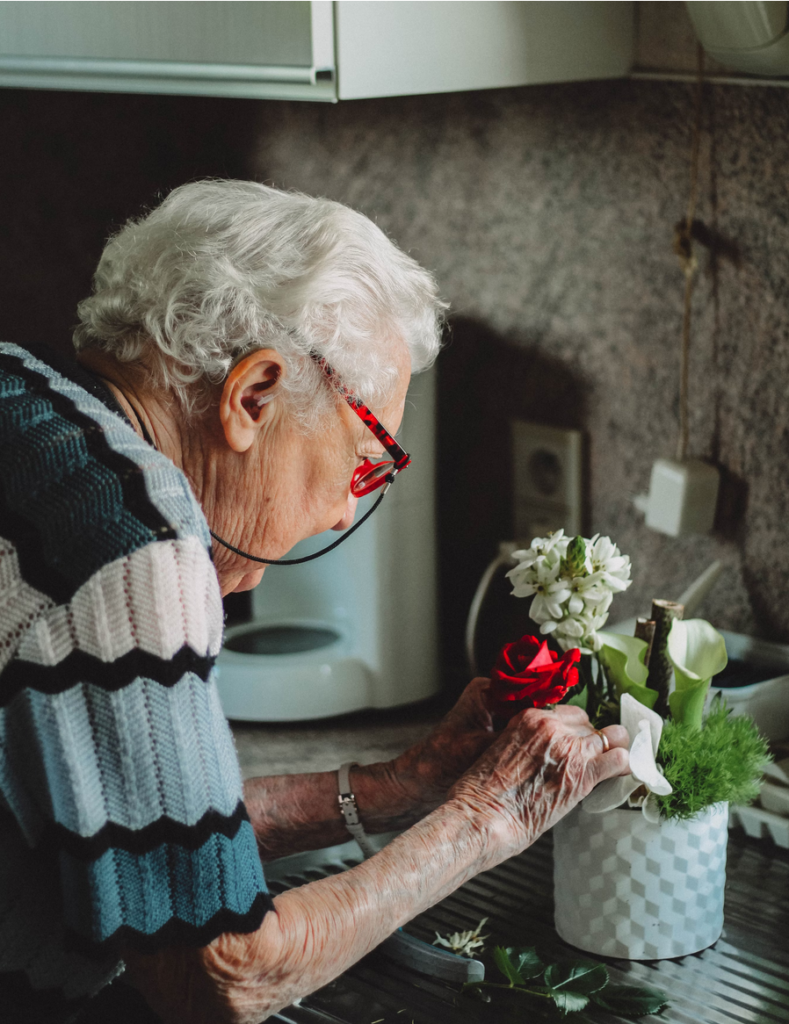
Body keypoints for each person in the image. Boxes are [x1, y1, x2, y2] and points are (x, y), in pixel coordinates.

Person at [0, 180, 630, 1024]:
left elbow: (157, 848)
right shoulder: (134, 550)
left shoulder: (21, 390)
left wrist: (397, 785)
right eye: (364, 461)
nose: (342, 512)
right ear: (253, 395)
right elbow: (221, 977)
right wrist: (486, 819)